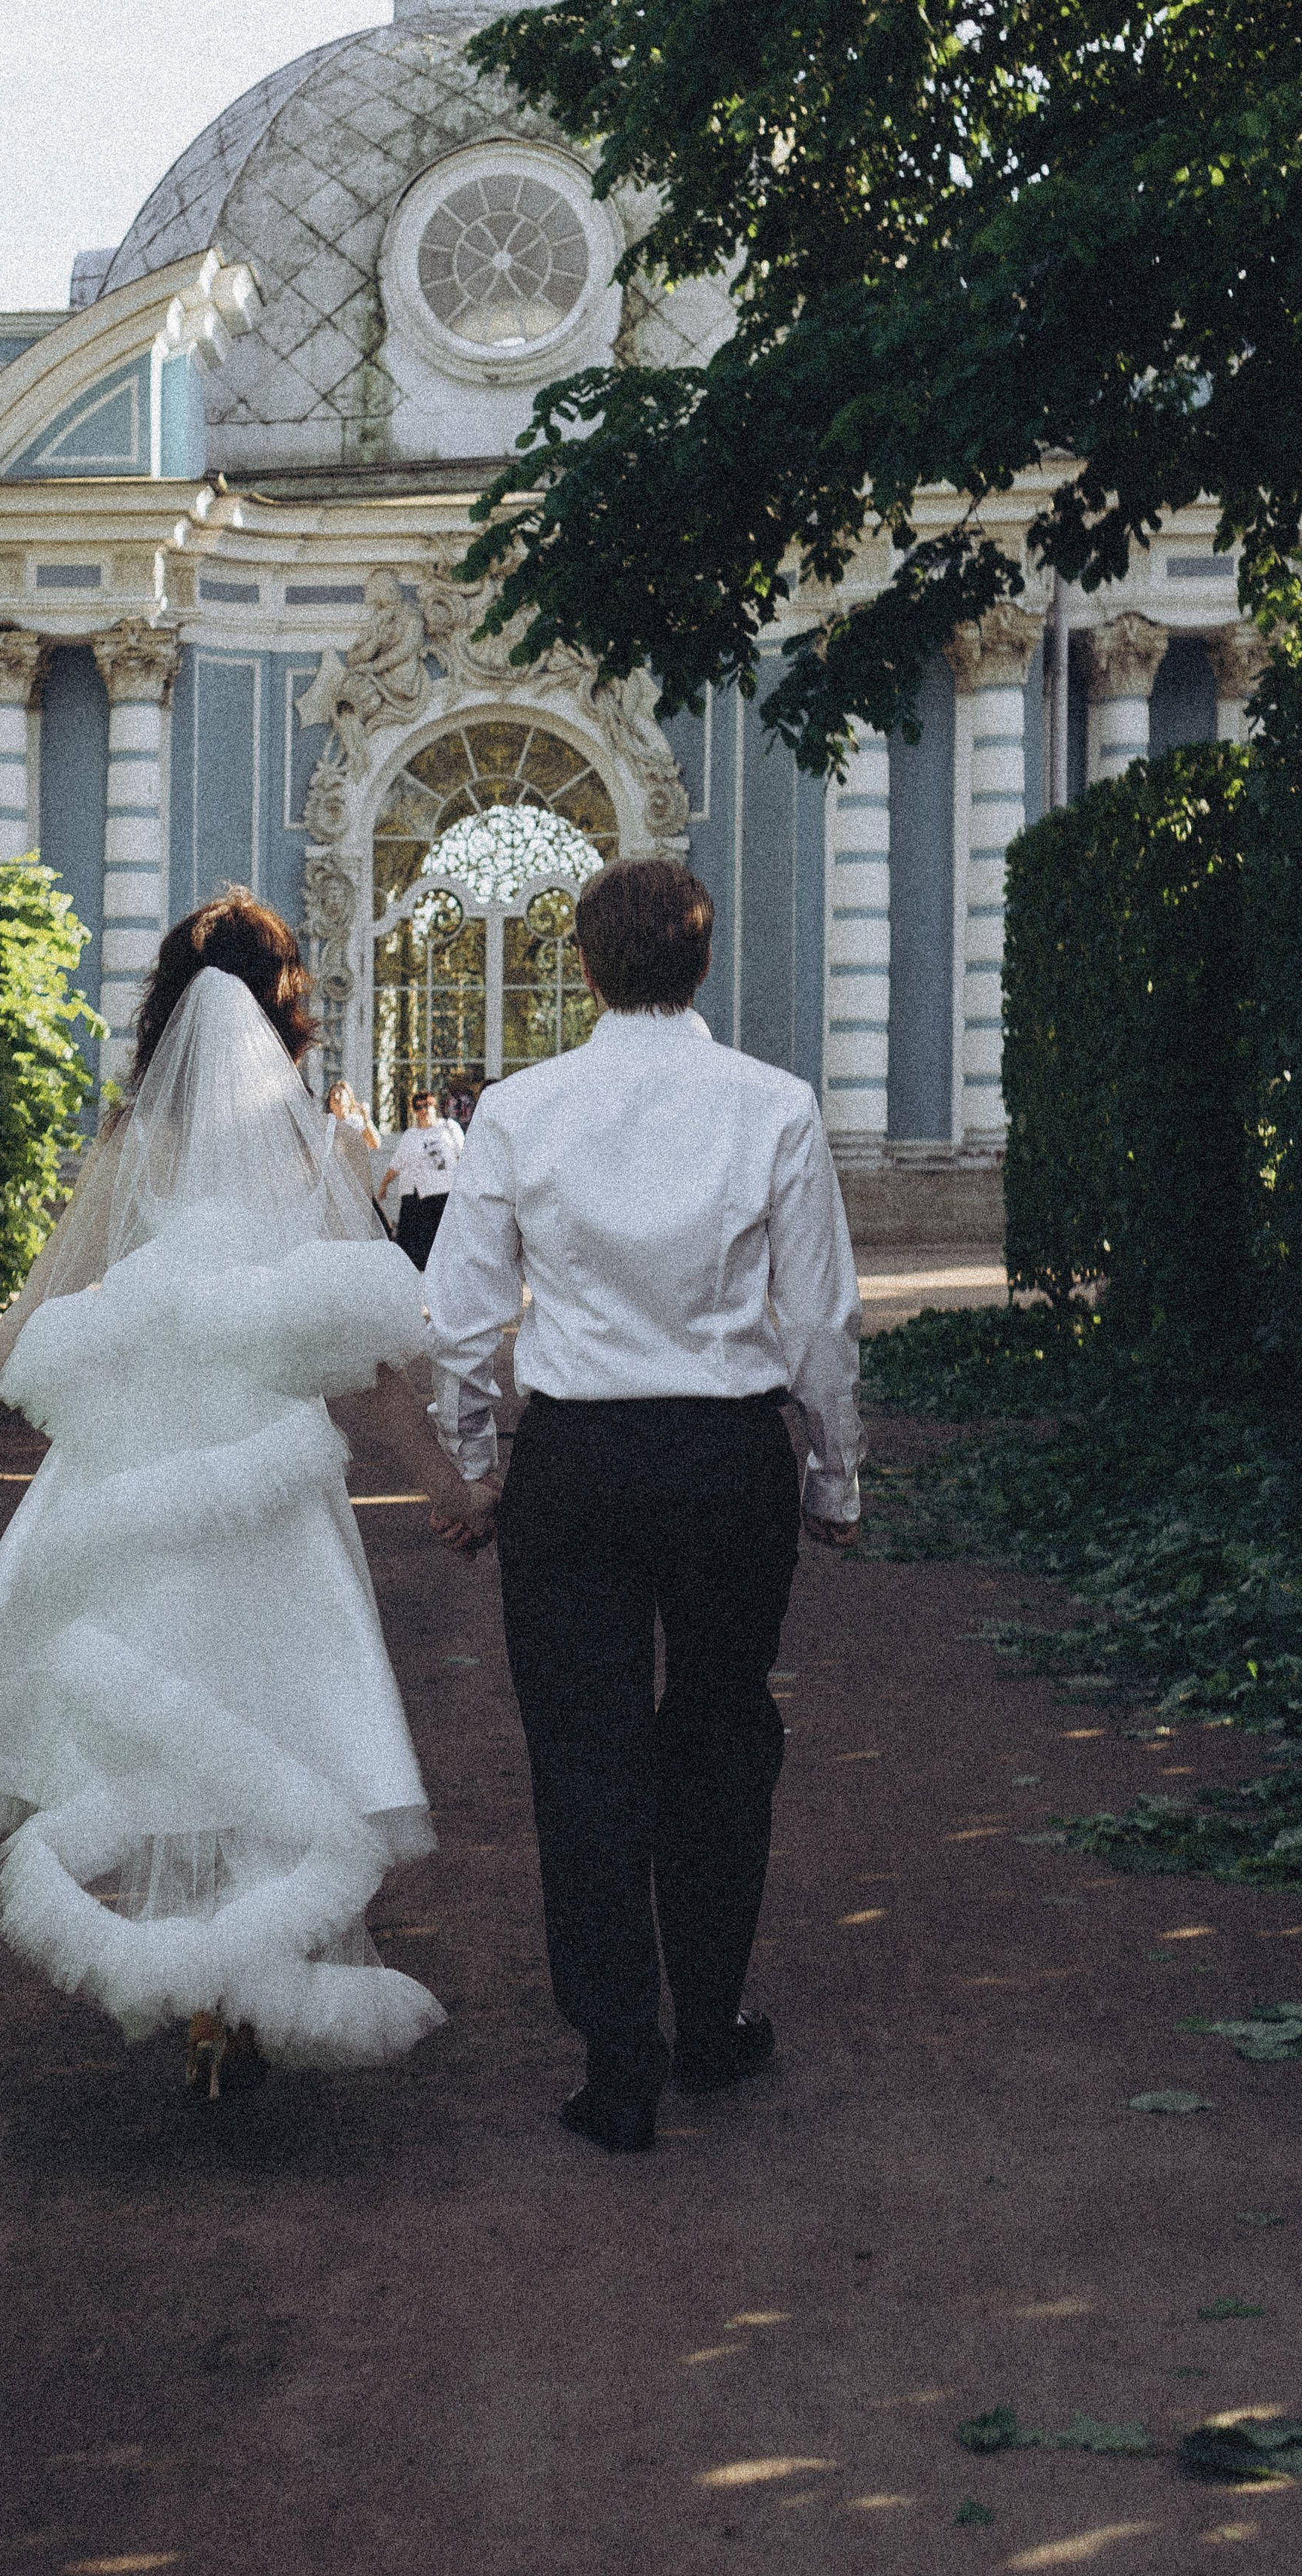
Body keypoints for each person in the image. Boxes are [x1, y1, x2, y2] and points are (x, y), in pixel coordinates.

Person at [0, 889, 493, 2088]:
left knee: (162, 1724)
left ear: (167, 1001)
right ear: (288, 1010)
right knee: (274, 1722)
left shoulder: (134, 1147)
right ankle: (242, 1991)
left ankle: (197, 1986)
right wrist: (447, 1486)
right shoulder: (316, 1151)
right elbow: (370, 1363)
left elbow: (27, 1324)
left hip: (132, 1475)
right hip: (270, 1482)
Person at [420, 856, 864, 2155]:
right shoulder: (775, 1106)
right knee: (725, 1732)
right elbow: (821, 1323)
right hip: (729, 1460)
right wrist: (833, 1477)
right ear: (704, 960)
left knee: (584, 1754)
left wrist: (474, 1467)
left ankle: (619, 2066)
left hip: (575, 1467)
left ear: (583, 963)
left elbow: (458, 1320)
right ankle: (712, 2026)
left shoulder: (520, 1108)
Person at [378, 1089, 464, 1270]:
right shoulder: (411, 1135)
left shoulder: (449, 1128)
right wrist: (384, 1185)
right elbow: (396, 1165)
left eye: (428, 1105)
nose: (424, 1111)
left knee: (444, 1248)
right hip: (416, 1198)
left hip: (444, 1195)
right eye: (419, 1107)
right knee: (414, 1251)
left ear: (435, 1107)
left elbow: (464, 1157)